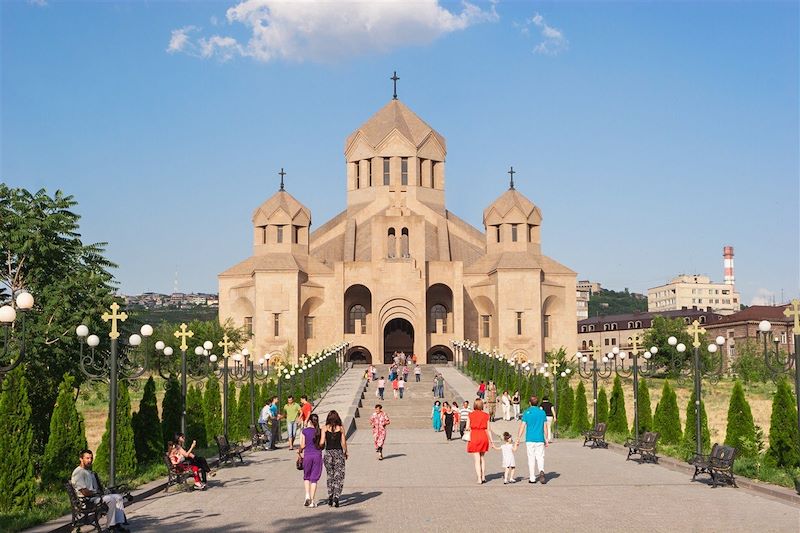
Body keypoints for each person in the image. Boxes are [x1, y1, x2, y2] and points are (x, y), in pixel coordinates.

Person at [71, 449, 129, 532]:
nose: (90, 460)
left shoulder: (88, 471)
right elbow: (85, 492)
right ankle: (111, 526)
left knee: (118, 497)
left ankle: (118, 524)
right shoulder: (78, 473)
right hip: (86, 501)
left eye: (91, 458)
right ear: (81, 459)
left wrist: (102, 492)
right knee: (110, 499)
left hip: (94, 497)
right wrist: (97, 493)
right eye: (87, 458)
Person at [516, 395, 549, 484]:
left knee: (531, 458)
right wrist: (546, 438)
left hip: (530, 438)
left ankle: (532, 478)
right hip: (540, 438)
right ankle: (541, 470)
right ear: (537, 403)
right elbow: (545, 427)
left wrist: (518, 438)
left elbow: (522, 426)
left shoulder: (527, 412)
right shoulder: (542, 413)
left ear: (529, 403)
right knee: (540, 456)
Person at [320, 410, 348, 507]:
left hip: (328, 453)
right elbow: (343, 442)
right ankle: (336, 495)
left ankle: (330, 495)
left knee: (330, 475)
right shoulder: (340, 428)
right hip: (338, 453)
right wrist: (346, 451)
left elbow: (322, 442)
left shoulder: (324, 428)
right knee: (339, 475)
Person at [466, 398, 493, 484]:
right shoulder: (486, 415)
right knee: (482, 457)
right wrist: (491, 441)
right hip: (483, 436)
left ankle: (479, 478)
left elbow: (467, 427)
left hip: (474, 436)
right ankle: (483, 476)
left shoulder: (470, 415)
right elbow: (489, 429)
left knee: (477, 459)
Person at [298, 413, 324, 507]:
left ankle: (307, 495)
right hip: (317, 455)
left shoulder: (304, 431)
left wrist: (299, 451)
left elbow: (302, 445)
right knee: (314, 479)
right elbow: (322, 444)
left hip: (307, 455)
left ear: (309, 421)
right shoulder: (320, 431)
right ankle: (312, 501)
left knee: (307, 476)